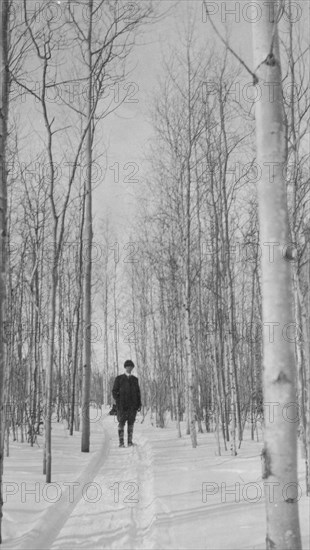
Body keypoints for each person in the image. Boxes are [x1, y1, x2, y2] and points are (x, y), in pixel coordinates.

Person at [112, 359, 142, 447]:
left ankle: (130, 442)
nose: (129, 368)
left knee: (131, 423)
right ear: (125, 367)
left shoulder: (135, 379)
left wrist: (139, 404)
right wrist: (118, 401)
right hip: (122, 406)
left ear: (132, 368)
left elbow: (138, 393)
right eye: (128, 366)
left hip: (133, 406)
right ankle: (121, 443)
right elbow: (114, 391)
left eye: (131, 367)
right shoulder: (119, 378)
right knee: (121, 423)